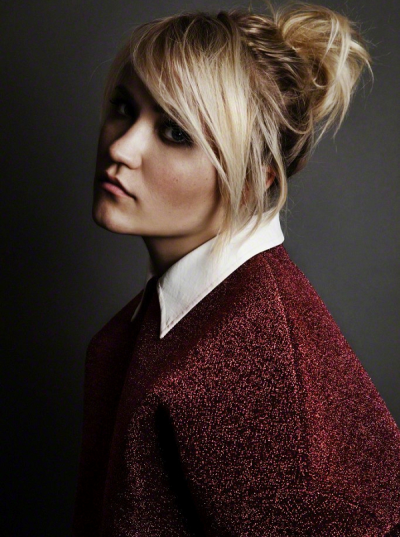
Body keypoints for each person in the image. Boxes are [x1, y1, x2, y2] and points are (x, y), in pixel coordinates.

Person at [73, 2, 400, 535]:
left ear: (253, 180)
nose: (122, 146)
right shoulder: (188, 314)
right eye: (124, 107)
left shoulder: (244, 363)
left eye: (175, 132)